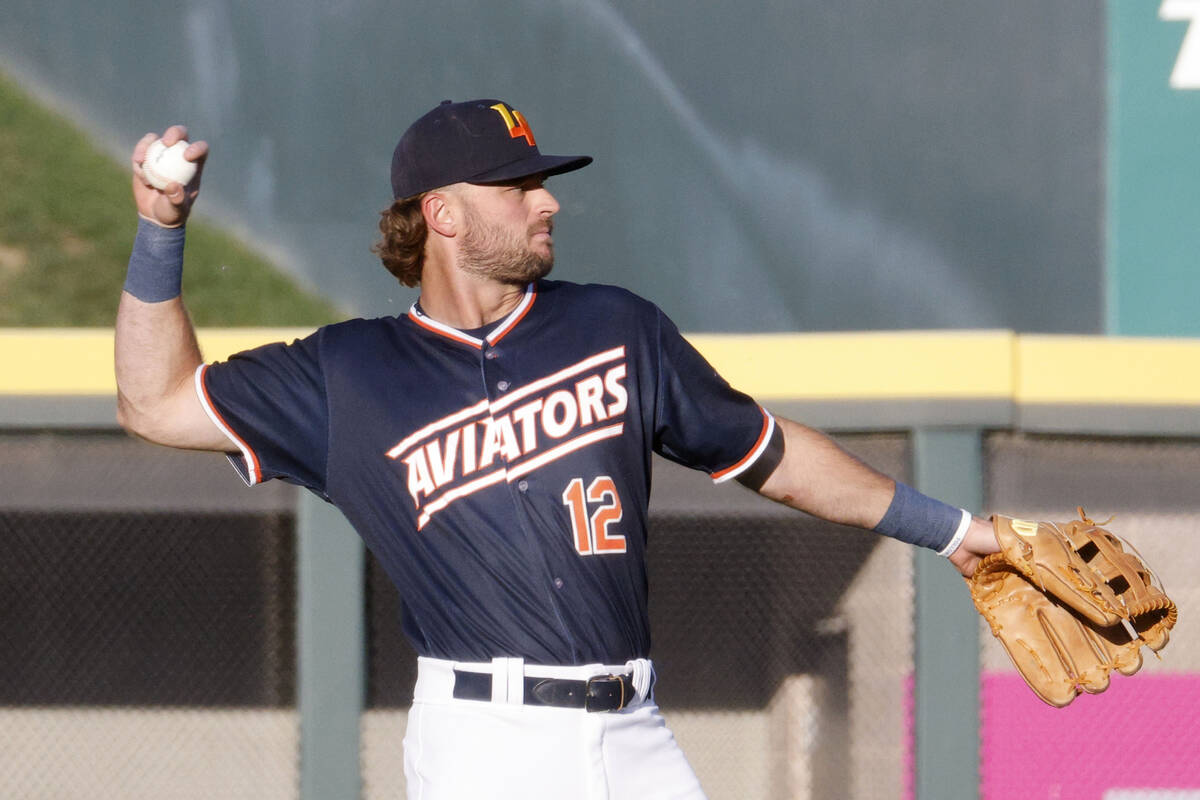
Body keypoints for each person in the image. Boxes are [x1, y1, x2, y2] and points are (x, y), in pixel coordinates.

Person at [115, 98, 1000, 799]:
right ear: (443, 215)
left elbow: (769, 452)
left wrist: (955, 532)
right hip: (485, 745)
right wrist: (161, 232)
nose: (549, 200)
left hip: (635, 730)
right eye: (518, 187)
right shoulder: (347, 375)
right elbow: (156, 403)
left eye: (541, 182)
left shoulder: (615, 327)